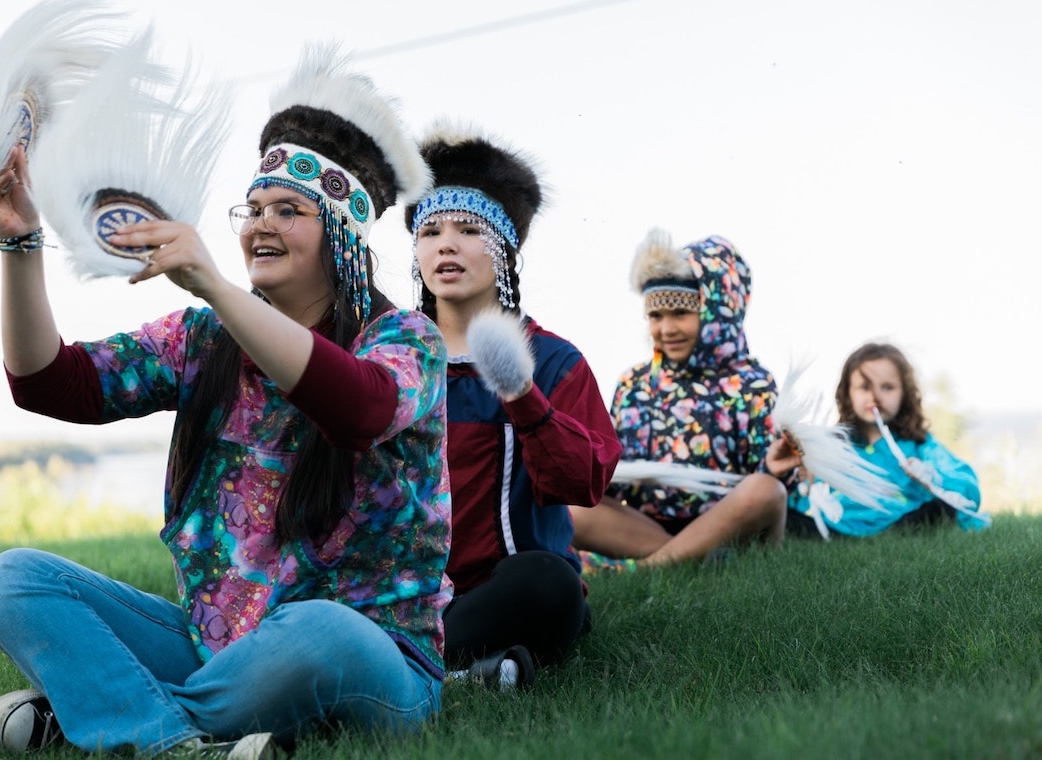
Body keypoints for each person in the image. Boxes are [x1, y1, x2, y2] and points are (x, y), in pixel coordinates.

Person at [0, 48, 451, 760]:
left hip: (368, 657)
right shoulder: (202, 339)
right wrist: (19, 243)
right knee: (13, 579)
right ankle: (179, 741)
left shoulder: (406, 340)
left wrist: (218, 288)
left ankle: (102, 717)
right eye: (253, 208)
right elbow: (52, 383)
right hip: (218, 647)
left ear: (345, 231)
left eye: (289, 211)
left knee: (320, 631)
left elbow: (358, 408)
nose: (261, 224)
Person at [403, 124, 621, 688]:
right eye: (429, 231)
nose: (445, 244)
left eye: (468, 228)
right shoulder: (390, 354)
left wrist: (523, 399)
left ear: (505, 248)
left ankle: (411, 665)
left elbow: (584, 481)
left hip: (508, 587)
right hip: (404, 588)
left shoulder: (552, 360)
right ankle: (468, 673)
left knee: (551, 586)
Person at [571, 229, 799, 569]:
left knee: (766, 491)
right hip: (646, 527)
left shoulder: (754, 384)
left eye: (681, 313)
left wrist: (775, 466)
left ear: (718, 312)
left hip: (731, 529)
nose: (666, 329)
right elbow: (615, 479)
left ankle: (646, 568)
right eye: (656, 316)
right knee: (571, 510)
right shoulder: (634, 384)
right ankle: (693, 561)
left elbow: (764, 487)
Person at [786, 342, 990, 536]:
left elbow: (967, 489)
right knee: (782, 517)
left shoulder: (919, 444)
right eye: (864, 387)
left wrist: (933, 477)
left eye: (887, 387)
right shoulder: (834, 447)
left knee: (939, 508)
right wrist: (806, 483)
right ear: (848, 393)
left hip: (903, 524)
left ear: (905, 394)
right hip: (840, 529)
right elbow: (801, 498)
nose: (875, 396)